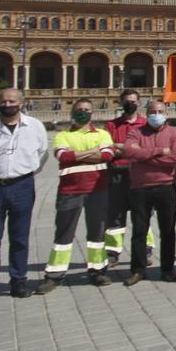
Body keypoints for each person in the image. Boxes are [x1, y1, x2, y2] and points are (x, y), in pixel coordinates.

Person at [0, 88, 48, 303]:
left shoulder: (34, 127)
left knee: (20, 237)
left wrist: (24, 172)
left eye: (11, 101)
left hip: (22, 185)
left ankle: (18, 280)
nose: (7, 104)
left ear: (21, 103)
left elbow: (42, 153)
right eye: (3, 101)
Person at [38, 98, 115, 293]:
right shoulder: (63, 135)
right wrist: (92, 151)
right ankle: (54, 275)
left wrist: (77, 155)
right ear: (72, 112)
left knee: (97, 233)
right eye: (79, 109)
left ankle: (98, 270)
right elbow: (63, 156)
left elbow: (106, 155)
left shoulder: (103, 133)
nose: (83, 112)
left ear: (92, 113)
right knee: (64, 233)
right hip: (70, 191)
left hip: (97, 189)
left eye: (87, 109)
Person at [122, 100, 176, 285]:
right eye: (152, 111)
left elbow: (175, 158)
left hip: (166, 186)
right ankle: (138, 270)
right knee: (139, 230)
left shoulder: (174, 133)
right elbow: (128, 152)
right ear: (146, 113)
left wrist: (144, 156)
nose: (156, 114)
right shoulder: (136, 132)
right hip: (140, 188)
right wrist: (159, 151)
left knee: (168, 230)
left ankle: (167, 269)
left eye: (160, 111)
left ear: (166, 113)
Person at [103, 88, 153, 269]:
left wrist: (123, 149)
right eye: (126, 101)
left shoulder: (146, 124)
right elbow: (108, 150)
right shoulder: (111, 125)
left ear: (139, 103)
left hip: (140, 175)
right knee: (115, 214)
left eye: (133, 101)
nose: (130, 104)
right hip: (117, 174)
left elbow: (149, 150)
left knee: (143, 214)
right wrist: (134, 150)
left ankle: (145, 250)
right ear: (121, 102)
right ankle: (112, 252)